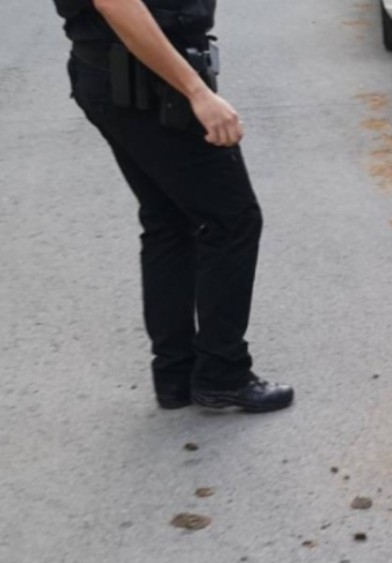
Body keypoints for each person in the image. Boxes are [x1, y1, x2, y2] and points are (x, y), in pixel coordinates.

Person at [53, 0, 294, 412]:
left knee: (168, 220)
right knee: (232, 219)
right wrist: (196, 91)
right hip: (148, 84)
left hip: (120, 77)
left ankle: (176, 375)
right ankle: (223, 374)